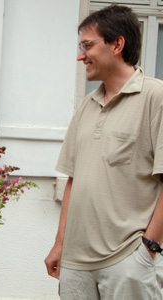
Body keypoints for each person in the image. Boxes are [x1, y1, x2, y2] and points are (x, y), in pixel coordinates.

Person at [44, 4, 163, 300]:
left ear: (117, 44)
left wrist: (149, 247)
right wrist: (60, 244)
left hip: (127, 261)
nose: (80, 55)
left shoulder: (155, 97)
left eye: (87, 45)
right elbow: (74, 180)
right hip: (75, 263)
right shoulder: (86, 105)